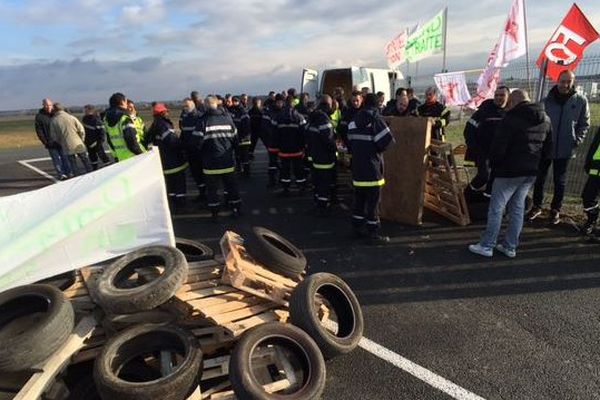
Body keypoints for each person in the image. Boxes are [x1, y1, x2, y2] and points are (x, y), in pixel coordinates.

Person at [469, 90, 553, 258]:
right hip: (530, 171)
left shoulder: (511, 119)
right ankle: (510, 246)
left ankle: (487, 245)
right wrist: (538, 168)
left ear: (514, 101)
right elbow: (548, 148)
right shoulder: (546, 119)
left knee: (496, 208)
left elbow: (498, 146)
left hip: (508, 171)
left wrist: (493, 165)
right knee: (517, 208)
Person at [527, 70, 591, 225]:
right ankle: (537, 206)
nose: (565, 84)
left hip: (565, 148)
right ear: (557, 80)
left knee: (559, 180)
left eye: (568, 81)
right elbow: (538, 123)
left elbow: (584, 123)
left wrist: (576, 140)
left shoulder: (581, 101)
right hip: (545, 147)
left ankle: (556, 209)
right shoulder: (546, 101)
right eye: (562, 81)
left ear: (573, 82)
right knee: (540, 178)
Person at [347, 93, 394, 244]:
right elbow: (387, 141)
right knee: (373, 204)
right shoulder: (376, 119)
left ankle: (356, 229)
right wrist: (377, 150)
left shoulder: (354, 121)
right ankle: (373, 233)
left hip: (357, 170)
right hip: (372, 169)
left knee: (359, 201)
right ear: (375, 105)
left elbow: (349, 141)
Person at [193, 96, 242, 219]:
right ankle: (236, 208)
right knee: (232, 188)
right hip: (228, 162)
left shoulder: (202, 121)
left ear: (205, 105)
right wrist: (236, 154)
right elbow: (236, 140)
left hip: (210, 164)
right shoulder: (228, 119)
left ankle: (215, 213)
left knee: (212, 190)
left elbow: (196, 143)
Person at [463, 86, 510, 195]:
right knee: (484, 176)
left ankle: (486, 202)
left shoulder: (510, 113)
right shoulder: (484, 110)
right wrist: (475, 147)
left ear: (508, 97)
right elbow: (469, 129)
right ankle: (466, 195)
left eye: (502, 95)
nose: (498, 98)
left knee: (494, 180)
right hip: (483, 152)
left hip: (501, 154)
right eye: (496, 95)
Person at [148, 103, 188, 212]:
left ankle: (173, 203)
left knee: (171, 185)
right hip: (173, 160)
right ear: (162, 113)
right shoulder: (163, 125)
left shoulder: (154, 126)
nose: (168, 113)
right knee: (179, 184)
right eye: (166, 111)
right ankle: (180, 205)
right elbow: (172, 141)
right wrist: (184, 145)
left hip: (164, 161)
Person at [306, 95, 337, 215]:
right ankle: (323, 207)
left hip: (315, 156)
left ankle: (317, 203)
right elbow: (328, 139)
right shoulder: (324, 119)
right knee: (325, 183)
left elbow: (306, 134)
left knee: (317, 182)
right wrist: (334, 149)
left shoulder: (313, 118)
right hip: (325, 158)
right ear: (328, 105)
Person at [274, 95, 307, 196]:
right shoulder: (299, 117)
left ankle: (285, 188)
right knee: (298, 169)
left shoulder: (278, 116)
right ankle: (301, 187)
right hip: (297, 149)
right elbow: (303, 133)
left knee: (285, 169)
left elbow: (275, 133)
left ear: (284, 103)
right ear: (294, 103)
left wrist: (278, 146)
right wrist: (303, 146)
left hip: (284, 149)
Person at [50, 103, 92, 176]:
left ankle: (77, 177)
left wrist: (61, 142)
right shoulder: (71, 117)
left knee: (73, 163)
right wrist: (82, 139)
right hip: (78, 142)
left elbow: (54, 136)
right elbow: (81, 130)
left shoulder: (54, 121)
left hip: (66, 145)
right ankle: (92, 174)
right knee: (85, 161)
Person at [104, 92, 146, 162]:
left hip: (121, 158)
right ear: (122, 102)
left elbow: (109, 140)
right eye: (126, 102)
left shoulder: (106, 119)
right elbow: (132, 142)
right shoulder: (124, 118)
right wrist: (142, 154)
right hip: (133, 157)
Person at [35, 98, 70, 179]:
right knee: (56, 159)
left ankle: (68, 173)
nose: (48, 107)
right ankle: (61, 174)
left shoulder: (57, 114)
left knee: (65, 157)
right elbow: (39, 131)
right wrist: (45, 142)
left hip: (61, 141)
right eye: (46, 105)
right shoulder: (39, 116)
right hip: (50, 142)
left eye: (49, 105)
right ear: (43, 105)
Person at [179, 97, 205, 203]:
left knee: (203, 173)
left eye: (187, 106)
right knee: (195, 174)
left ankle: (207, 195)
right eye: (184, 106)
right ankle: (202, 193)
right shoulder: (185, 118)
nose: (185, 108)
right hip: (190, 151)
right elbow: (183, 133)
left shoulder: (200, 117)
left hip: (200, 151)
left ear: (193, 106)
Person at [261, 94, 284, 187]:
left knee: (282, 162)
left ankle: (281, 179)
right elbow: (264, 129)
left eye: (282, 102)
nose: (280, 104)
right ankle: (272, 180)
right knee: (272, 162)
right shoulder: (269, 113)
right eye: (279, 102)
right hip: (272, 143)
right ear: (276, 102)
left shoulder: (284, 112)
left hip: (282, 143)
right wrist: (268, 142)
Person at [581, 127, 600, 240]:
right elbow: (595, 145)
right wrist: (589, 162)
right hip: (596, 167)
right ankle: (592, 220)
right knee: (588, 197)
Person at [82, 105, 110, 170]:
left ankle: (108, 166)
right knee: (92, 157)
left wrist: (99, 142)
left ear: (90, 110)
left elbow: (102, 133)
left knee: (102, 155)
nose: (84, 112)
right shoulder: (84, 119)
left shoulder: (96, 119)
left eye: (86, 110)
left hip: (97, 142)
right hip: (88, 142)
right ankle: (94, 169)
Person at [230, 96, 252, 177]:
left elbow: (246, 127)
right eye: (233, 101)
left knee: (245, 156)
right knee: (238, 156)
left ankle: (247, 172)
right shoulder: (234, 111)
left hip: (244, 138)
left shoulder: (243, 112)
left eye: (235, 101)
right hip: (237, 138)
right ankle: (240, 170)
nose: (234, 103)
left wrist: (242, 136)